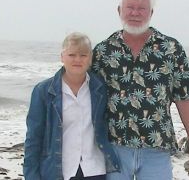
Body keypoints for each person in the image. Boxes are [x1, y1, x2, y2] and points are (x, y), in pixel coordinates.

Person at [91, 0, 189, 179]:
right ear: (119, 10)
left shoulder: (171, 48)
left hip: (157, 149)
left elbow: (184, 98)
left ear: (151, 12)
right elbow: (88, 98)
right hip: (114, 147)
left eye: (141, 8)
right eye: (130, 7)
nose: (135, 13)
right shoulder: (103, 51)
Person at [24, 32, 120, 180]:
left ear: (90, 58)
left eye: (83, 55)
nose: (77, 60)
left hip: (94, 169)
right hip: (59, 170)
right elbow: (34, 138)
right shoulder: (43, 91)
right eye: (72, 55)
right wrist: (31, 175)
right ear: (62, 57)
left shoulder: (100, 88)